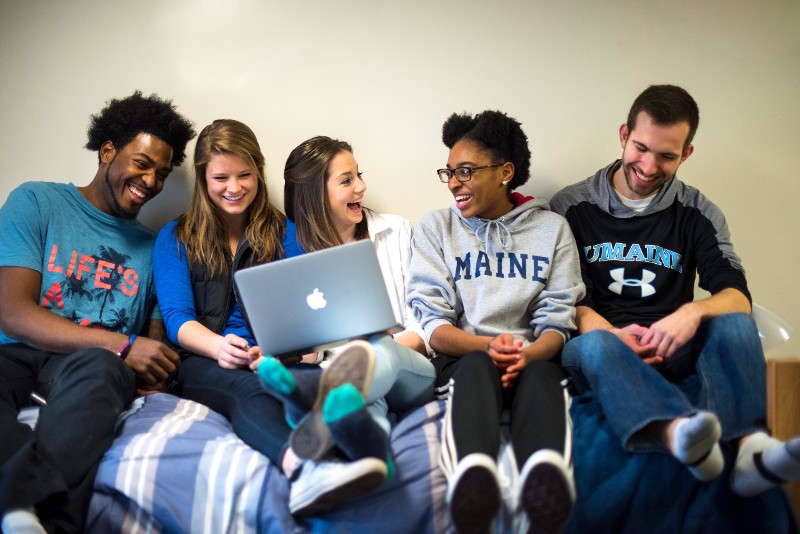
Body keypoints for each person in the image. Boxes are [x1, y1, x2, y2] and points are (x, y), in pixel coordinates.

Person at [549, 84, 800, 497]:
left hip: (672, 347)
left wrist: (692, 313)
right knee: (592, 347)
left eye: (666, 156)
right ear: (623, 135)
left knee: (736, 323)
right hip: (601, 346)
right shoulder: (570, 207)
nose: (648, 166)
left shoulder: (700, 212)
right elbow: (563, 297)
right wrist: (609, 334)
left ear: (686, 154)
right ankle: (678, 432)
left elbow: (737, 295)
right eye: (641, 148)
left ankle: (749, 450)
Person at [151, 120, 389, 517]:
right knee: (252, 391)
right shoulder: (176, 236)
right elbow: (177, 319)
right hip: (204, 360)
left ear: (259, 172)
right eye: (221, 177)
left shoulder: (287, 232)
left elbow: (311, 310)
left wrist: (295, 352)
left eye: (245, 175)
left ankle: (370, 458)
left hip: (274, 355)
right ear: (202, 178)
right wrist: (218, 347)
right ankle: (302, 470)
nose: (234, 187)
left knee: (324, 389)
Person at [0, 91, 195, 533]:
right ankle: (16, 508)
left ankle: (48, 524)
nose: (151, 182)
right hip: (11, 354)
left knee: (105, 368)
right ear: (108, 152)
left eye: (162, 174)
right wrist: (123, 344)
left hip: (85, 368)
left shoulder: (152, 247)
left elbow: (154, 339)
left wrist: (153, 365)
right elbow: (12, 313)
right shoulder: (36, 202)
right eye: (142, 164)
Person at [406, 110, 585, 534]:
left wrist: (526, 355)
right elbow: (433, 323)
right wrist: (489, 348)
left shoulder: (553, 230)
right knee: (474, 369)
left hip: (533, 357)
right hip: (466, 357)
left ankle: (546, 478)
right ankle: (472, 476)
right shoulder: (437, 228)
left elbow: (559, 320)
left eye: (465, 171)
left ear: (505, 172)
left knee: (544, 378)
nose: (453, 182)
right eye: (449, 172)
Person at [256, 135, 437, 515]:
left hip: (409, 367)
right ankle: (368, 455)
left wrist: (368, 353)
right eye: (346, 180)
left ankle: (314, 407)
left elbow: (424, 322)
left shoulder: (397, 231)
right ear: (315, 194)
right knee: (355, 403)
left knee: (377, 348)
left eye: (359, 175)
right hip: (343, 379)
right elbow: (308, 342)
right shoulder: (292, 254)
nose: (361, 187)